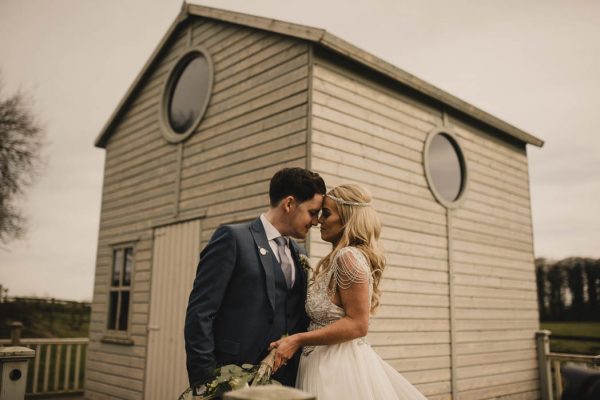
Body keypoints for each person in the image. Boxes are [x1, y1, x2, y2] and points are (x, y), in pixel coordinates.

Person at [270, 184, 428, 399]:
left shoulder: (347, 257)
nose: (319, 221)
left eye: (326, 213)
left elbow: (358, 324)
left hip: (337, 368)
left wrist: (298, 340)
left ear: (347, 218)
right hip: (320, 362)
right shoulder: (341, 257)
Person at [184, 167, 326, 391]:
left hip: (285, 382)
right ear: (289, 204)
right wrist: (207, 381)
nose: (316, 221)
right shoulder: (233, 238)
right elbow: (200, 313)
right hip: (231, 380)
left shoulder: (301, 252)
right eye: (312, 212)